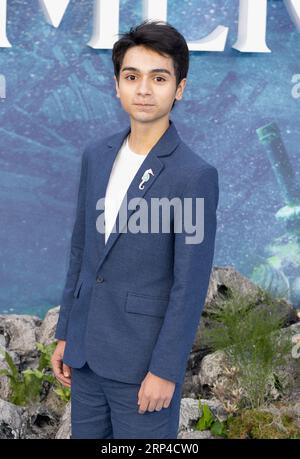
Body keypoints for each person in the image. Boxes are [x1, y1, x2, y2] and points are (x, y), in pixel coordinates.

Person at [51, 19, 219, 439]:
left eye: (158, 78)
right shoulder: (96, 155)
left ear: (179, 88)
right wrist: (67, 334)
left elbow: (190, 284)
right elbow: (81, 253)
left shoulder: (194, 175)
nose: (144, 89)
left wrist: (165, 370)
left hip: (143, 367)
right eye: (132, 76)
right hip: (87, 356)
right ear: (117, 85)